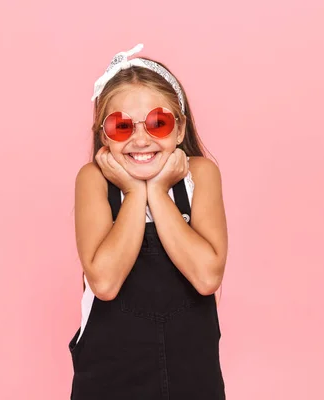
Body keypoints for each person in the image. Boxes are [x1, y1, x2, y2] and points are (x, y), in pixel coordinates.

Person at [69, 43, 228, 400]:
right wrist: (132, 191)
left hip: (193, 382)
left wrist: (157, 190)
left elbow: (206, 277)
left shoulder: (200, 175)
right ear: (103, 132)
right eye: (122, 126)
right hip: (108, 384)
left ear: (180, 126)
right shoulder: (94, 181)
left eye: (158, 123)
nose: (141, 139)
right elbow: (105, 283)